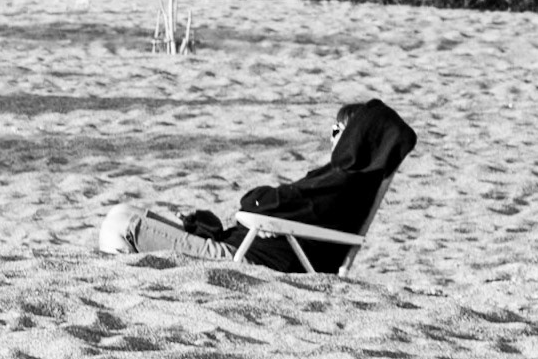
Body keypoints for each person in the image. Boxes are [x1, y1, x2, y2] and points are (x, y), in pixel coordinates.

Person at [99, 99, 417, 274]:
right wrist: (270, 219)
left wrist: (268, 219)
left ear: (357, 138)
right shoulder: (347, 182)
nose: (331, 137)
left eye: (338, 130)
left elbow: (258, 202)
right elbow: (276, 206)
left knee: (120, 224)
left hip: (245, 258)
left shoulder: (338, 185)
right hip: (247, 245)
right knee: (125, 210)